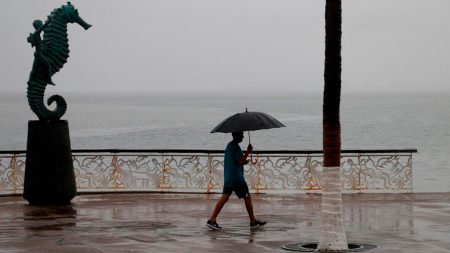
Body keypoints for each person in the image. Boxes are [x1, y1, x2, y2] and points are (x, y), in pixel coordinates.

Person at [206, 131, 266, 229]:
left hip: (229, 177)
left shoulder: (230, 146)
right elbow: (239, 161)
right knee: (247, 197)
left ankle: (212, 220)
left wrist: (245, 160)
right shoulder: (235, 147)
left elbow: (237, 161)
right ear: (237, 136)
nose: (243, 136)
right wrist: (248, 152)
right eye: (241, 134)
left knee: (224, 197)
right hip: (236, 178)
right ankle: (253, 221)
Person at [27, 18, 55, 86]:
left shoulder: (36, 35)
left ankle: (30, 81)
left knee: (34, 69)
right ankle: (49, 80)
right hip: (39, 54)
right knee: (48, 66)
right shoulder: (37, 33)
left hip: (37, 54)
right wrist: (48, 22)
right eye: (41, 24)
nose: (42, 25)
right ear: (38, 25)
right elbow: (42, 28)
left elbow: (40, 43)